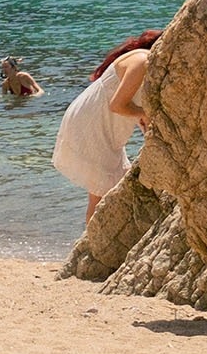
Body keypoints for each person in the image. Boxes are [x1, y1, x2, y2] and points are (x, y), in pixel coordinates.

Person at [54, 31, 160, 219]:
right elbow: (118, 105)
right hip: (93, 125)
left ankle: (95, 243)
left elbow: (130, 102)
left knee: (114, 185)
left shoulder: (142, 60)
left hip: (97, 122)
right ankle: (91, 246)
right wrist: (143, 113)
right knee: (99, 196)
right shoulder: (142, 61)